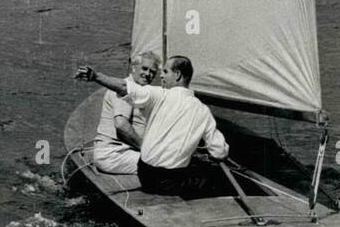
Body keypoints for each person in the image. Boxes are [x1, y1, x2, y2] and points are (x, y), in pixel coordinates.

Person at [75, 54, 229, 197]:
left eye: (164, 72)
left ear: (177, 75)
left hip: (145, 173)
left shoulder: (158, 95)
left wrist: (96, 76)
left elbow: (124, 88)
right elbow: (219, 153)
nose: (160, 76)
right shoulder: (203, 111)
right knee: (212, 175)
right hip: (154, 175)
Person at [92, 51, 161, 174]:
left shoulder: (138, 90)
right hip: (113, 154)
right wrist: (145, 149)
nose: (147, 74)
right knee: (167, 164)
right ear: (134, 67)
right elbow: (121, 125)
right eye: (144, 69)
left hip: (125, 151)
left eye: (152, 72)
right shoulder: (123, 89)